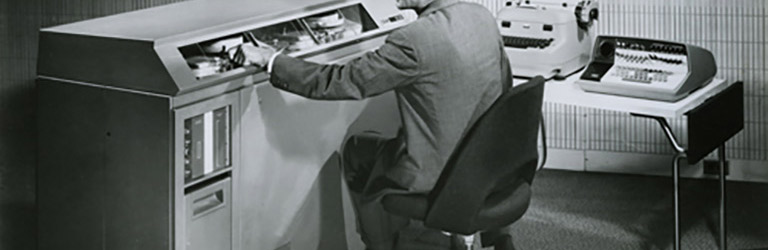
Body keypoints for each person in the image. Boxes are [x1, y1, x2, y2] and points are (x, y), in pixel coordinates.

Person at [241, 0, 514, 249]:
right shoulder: (481, 16)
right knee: (377, 145)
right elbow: (505, 92)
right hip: (487, 167)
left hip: (439, 176)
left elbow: (342, 80)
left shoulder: (415, 39)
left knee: (359, 152)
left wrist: (272, 61)